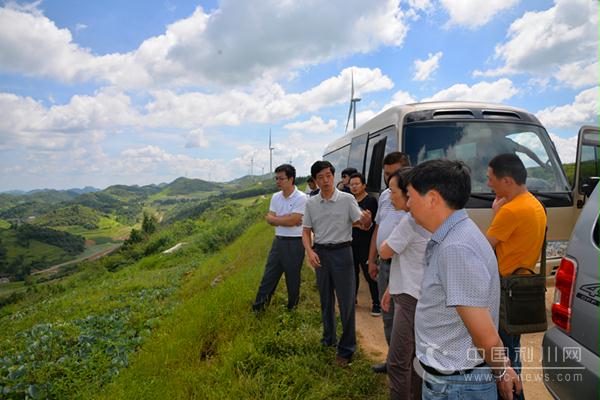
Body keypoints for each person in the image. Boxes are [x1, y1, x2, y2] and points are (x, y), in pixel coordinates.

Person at [407, 159, 521, 400]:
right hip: (456, 381)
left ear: (432, 198)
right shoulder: (458, 233)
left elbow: (485, 336)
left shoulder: (455, 248)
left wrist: (501, 372)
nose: (407, 205)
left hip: (456, 386)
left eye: (410, 196)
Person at [485, 153, 547, 400]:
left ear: (507, 181)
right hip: (522, 288)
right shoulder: (534, 204)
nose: (488, 184)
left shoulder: (510, 211)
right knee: (513, 349)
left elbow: (484, 247)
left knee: (504, 356)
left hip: (505, 290)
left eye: (491, 179)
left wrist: (495, 213)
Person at [302, 160, 372, 367]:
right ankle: (329, 338)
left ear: (333, 176)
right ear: (315, 180)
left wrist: (367, 221)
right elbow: (306, 231)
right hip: (321, 253)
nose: (325, 180)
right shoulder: (311, 203)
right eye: (320, 177)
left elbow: (362, 223)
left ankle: (347, 348)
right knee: (326, 300)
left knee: (346, 302)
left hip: (343, 253)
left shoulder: (347, 199)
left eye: (328, 176)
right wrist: (310, 251)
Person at [379, 168, 429, 400]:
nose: (390, 197)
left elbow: (385, 251)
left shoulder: (410, 221)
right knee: (417, 358)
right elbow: (411, 261)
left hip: (410, 299)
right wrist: (391, 288)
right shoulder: (426, 217)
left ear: (409, 193)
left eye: (393, 191)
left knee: (397, 362)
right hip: (417, 292)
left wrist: (390, 237)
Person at [367, 151, 411, 374]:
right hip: (385, 265)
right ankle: (392, 360)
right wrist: (371, 259)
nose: (389, 178)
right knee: (388, 316)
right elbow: (378, 228)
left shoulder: (415, 201)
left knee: (406, 319)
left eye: (394, 174)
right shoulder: (386, 196)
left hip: (405, 266)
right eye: (386, 174)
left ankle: (407, 366)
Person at [252, 164, 307, 312]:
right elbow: (270, 219)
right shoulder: (276, 197)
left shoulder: (301, 198)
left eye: (281, 178)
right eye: (276, 178)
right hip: (278, 241)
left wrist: (280, 219)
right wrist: (287, 219)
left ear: (291, 179)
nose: (278, 181)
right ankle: (259, 308)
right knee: (269, 276)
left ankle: (292, 309)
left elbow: (293, 220)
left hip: (295, 242)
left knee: (292, 278)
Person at [349, 172, 380, 316]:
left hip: (366, 244)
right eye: (351, 185)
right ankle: (352, 299)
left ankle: (376, 303)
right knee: (352, 273)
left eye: (357, 184)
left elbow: (367, 223)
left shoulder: (370, 201)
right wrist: (357, 224)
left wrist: (355, 223)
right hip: (351, 243)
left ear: (364, 185)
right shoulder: (350, 201)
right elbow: (349, 221)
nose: (354, 187)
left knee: (369, 274)